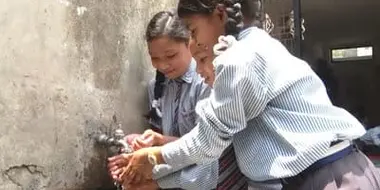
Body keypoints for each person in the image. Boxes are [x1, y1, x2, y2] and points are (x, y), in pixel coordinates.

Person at [108, 0, 380, 189]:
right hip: (325, 174)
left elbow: (208, 143)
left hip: (329, 178)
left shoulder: (238, 59)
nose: (193, 44)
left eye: (193, 31)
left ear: (219, 15)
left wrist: (154, 159)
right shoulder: (252, 47)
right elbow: (236, 159)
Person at [110, 10, 247, 189]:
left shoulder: (207, 81)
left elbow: (207, 148)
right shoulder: (157, 86)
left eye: (171, 56)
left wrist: (156, 158)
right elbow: (164, 141)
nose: (162, 65)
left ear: (189, 44)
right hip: (180, 174)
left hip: (212, 177)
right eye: (155, 58)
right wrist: (142, 145)